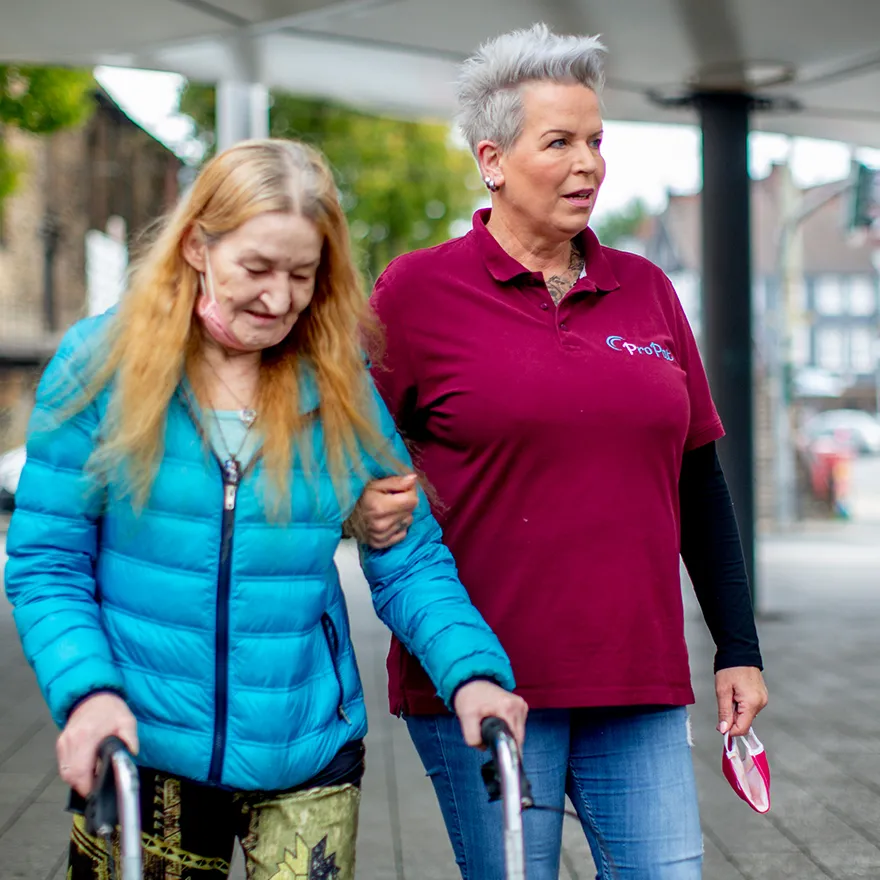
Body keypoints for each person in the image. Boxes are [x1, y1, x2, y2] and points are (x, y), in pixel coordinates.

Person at [4, 138, 527, 880]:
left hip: (308, 749)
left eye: (302, 275)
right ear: (196, 247)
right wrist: (87, 693)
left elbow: (409, 557)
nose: (280, 299)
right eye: (256, 268)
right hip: (144, 747)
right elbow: (48, 563)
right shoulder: (100, 367)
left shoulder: (339, 384)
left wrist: (474, 673)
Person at [352, 24, 768, 880]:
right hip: (484, 686)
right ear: (492, 159)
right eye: (560, 142)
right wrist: (357, 504)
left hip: (639, 680)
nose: (589, 164)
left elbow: (699, 481)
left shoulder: (646, 290)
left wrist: (738, 646)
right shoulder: (417, 293)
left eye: (597, 140)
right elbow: (348, 455)